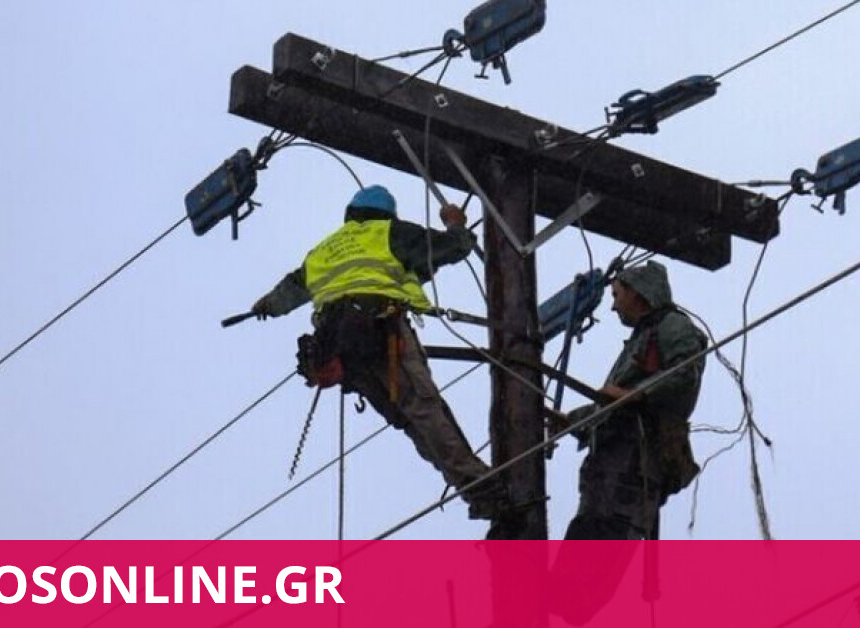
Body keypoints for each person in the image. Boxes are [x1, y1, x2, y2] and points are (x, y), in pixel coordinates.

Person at [249, 185, 507, 519]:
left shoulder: (323, 250)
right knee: (424, 409)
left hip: (341, 350)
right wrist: (456, 223)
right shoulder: (390, 233)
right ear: (387, 214)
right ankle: (482, 488)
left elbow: (292, 287)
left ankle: (478, 493)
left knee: (410, 420)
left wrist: (267, 305)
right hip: (380, 332)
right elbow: (453, 247)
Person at [553, 260, 707, 540]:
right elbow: (612, 405)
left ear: (638, 292)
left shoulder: (672, 325)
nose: (613, 306)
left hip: (629, 472)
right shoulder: (641, 338)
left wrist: (636, 394)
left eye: (616, 295)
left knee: (598, 544)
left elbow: (685, 374)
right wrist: (572, 421)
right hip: (608, 481)